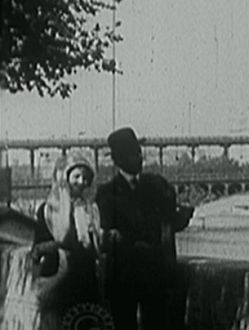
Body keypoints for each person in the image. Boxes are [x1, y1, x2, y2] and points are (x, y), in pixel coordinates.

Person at [95, 127, 194, 330]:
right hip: (123, 278)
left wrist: (182, 217)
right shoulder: (106, 194)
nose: (139, 158)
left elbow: (169, 223)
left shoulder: (157, 185)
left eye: (139, 153)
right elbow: (108, 235)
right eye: (133, 154)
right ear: (118, 159)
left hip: (156, 276)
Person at [31, 154, 103, 324]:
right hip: (57, 277)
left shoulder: (91, 209)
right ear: (65, 178)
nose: (81, 182)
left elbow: (95, 245)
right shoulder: (49, 210)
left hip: (85, 277)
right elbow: (38, 246)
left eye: (85, 178)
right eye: (76, 176)